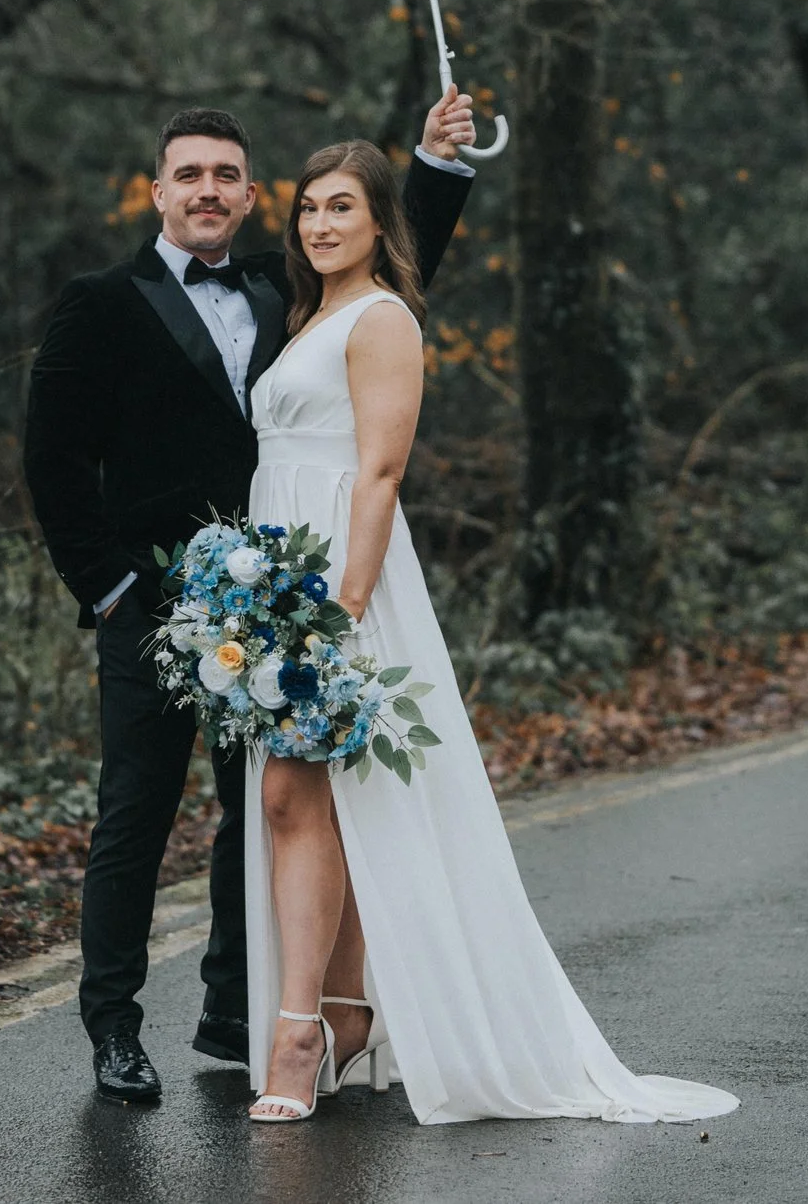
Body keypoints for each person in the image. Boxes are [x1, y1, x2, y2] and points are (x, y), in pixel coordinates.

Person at [240, 139, 737, 1126]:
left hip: (338, 582)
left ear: (381, 221)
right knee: (321, 799)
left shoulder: (381, 318)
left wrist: (343, 603)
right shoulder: (310, 314)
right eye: (307, 208)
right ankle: (341, 1011)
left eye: (341, 207)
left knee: (296, 790)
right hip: (274, 576)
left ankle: (299, 1032)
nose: (320, 224)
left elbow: (378, 472)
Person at [24, 95, 479, 1105]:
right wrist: (106, 588)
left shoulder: (292, 289)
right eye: (189, 174)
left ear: (248, 192)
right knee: (134, 813)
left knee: (264, 807)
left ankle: (235, 1006)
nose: (208, 190)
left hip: (276, 605)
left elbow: (389, 280)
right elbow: (52, 458)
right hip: (152, 610)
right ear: (157, 190)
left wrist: (436, 165)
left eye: (226, 174)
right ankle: (114, 1024)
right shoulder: (99, 301)